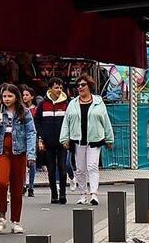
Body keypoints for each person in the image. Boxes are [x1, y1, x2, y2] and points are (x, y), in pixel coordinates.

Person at [0, 83, 36, 234]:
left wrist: (31, 154)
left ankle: (16, 220)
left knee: (17, 186)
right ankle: (2, 217)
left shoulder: (24, 112)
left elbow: (31, 133)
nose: (7, 99)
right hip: (2, 150)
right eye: (4, 96)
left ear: (16, 97)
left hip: (19, 151)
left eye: (10, 96)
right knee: (1, 182)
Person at [59, 74, 114, 206]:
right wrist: (64, 138)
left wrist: (109, 138)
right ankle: (82, 194)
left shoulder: (99, 103)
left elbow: (106, 121)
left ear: (89, 86)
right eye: (78, 85)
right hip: (77, 140)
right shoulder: (72, 104)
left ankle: (94, 193)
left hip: (94, 140)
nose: (80, 87)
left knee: (92, 167)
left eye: (83, 85)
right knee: (80, 169)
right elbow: (66, 122)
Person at [34, 78, 69, 204]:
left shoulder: (67, 103)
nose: (58, 90)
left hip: (62, 142)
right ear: (50, 89)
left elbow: (70, 121)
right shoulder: (43, 104)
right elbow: (37, 121)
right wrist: (41, 137)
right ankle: (54, 193)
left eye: (60, 87)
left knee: (62, 167)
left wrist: (68, 137)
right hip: (48, 142)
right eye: (56, 87)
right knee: (51, 169)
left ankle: (63, 194)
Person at [19, 85, 39, 197]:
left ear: (32, 96)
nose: (25, 97)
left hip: (32, 137)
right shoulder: (20, 110)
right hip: (21, 137)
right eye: (23, 95)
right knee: (22, 162)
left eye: (27, 95)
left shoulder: (35, 109)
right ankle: (22, 184)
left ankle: (31, 185)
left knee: (31, 162)